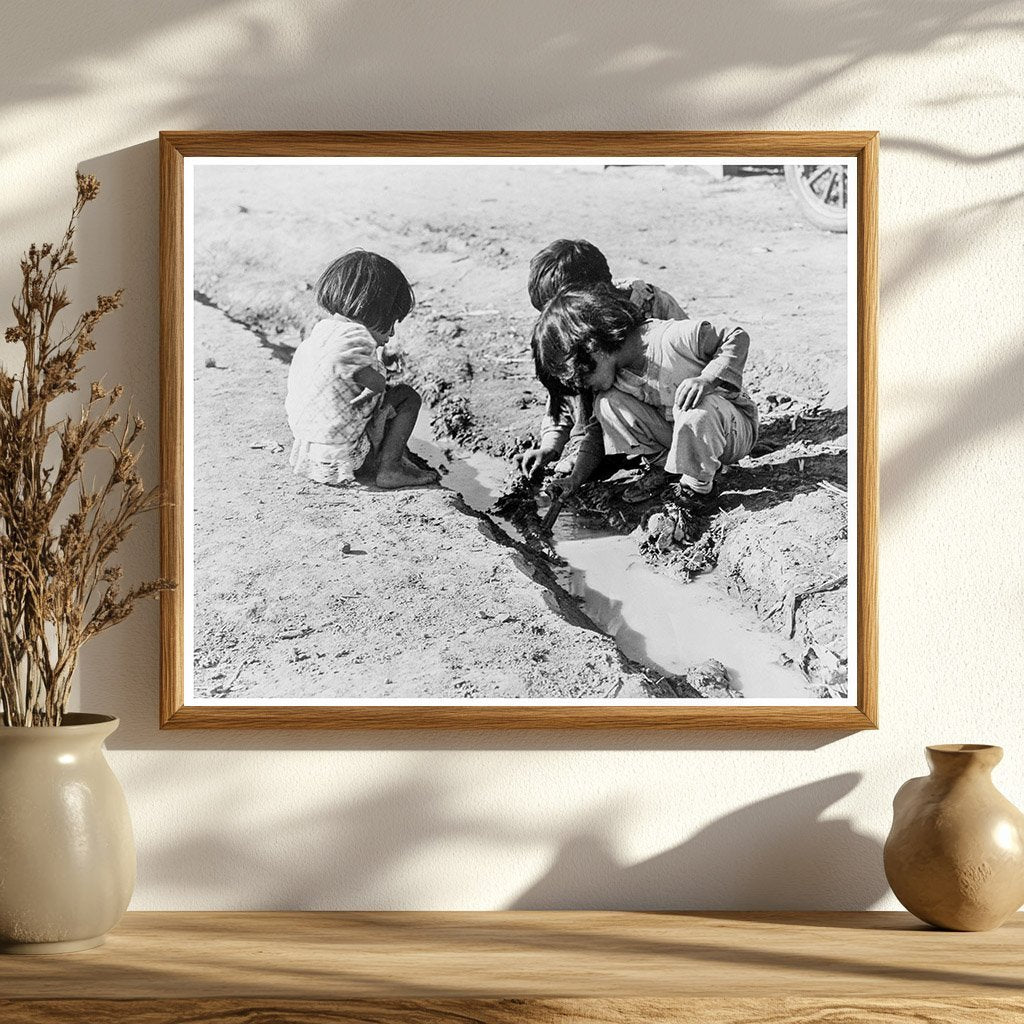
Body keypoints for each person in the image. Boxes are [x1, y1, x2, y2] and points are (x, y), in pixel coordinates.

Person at [531, 284, 758, 506]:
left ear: (592, 347)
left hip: (732, 431)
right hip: (682, 434)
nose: (585, 388)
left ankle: (697, 491)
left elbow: (735, 337)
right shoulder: (616, 375)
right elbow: (596, 433)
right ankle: (667, 470)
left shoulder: (671, 338)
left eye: (580, 379)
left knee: (698, 408)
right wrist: (575, 479)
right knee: (607, 405)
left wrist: (707, 380)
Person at [518, 239, 687, 486]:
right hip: (605, 422)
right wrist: (550, 445)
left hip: (664, 416)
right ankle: (592, 449)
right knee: (580, 368)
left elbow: (700, 358)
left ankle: (652, 456)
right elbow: (563, 393)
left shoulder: (653, 308)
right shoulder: (574, 335)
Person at [285, 250, 437, 490]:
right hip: (348, 458)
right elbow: (373, 400)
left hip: (308, 452)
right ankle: (390, 469)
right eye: (391, 323)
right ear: (376, 312)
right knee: (406, 397)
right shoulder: (358, 348)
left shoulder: (317, 337)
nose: (392, 334)